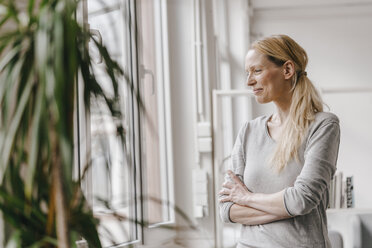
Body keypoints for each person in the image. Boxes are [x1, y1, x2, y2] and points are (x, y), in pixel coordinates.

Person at [218, 34, 341, 248]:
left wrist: (246, 198)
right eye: (247, 73)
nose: (249, 81)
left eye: (257, 70)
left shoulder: (323, 125)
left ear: (287, 70)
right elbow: (227, 211)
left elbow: (302, 200)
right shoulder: (248, 131)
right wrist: (285, 207)